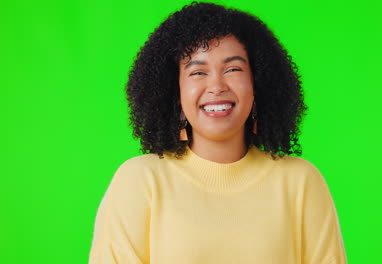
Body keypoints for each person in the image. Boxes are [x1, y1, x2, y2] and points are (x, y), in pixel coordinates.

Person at [88, 1, 347, 263]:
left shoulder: (301, 183)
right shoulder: (139, 181)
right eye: (198, 72)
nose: (216, 86)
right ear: (175, 92)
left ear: (257, 83)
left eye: (233, 69)